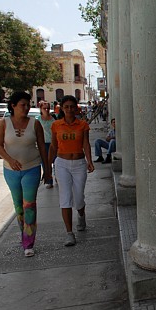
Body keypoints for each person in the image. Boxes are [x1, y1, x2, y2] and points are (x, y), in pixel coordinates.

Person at [0, 91, 49, 257]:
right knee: (18, 206)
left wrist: (47, 171)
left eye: (27, 104)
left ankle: (29, 242)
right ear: (13, 106)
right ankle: (24, 233)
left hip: (31, 168)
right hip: (11, 171)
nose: (26, 108)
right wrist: (10, 160)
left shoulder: (35, 124)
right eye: (22, 105)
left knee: (29, 205)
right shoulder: (3, 124)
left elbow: (42, 147)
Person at [48, 95, 94, 247]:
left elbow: (86, 144)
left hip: (79, 164)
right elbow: (53, 147)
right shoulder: (56, 125)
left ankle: (81, 215)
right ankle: (69, 233)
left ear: (76, 108)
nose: (69, 109)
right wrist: (48, 167)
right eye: (66, 107)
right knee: (65, 197)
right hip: (61, 164)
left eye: (72, 107)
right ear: (61, 108)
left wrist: (89, 161)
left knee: (79, 196)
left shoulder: (82, 125)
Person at [38, 101, 56, 188]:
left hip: (53, 143)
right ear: (41, 109)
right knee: (45, 163)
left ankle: (58, 178)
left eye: (48, 108)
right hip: (43, 144)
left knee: (56, 162)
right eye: (44, 108)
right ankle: (49, 180)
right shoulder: (38, 120)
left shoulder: (53, 119)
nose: (46, 110)